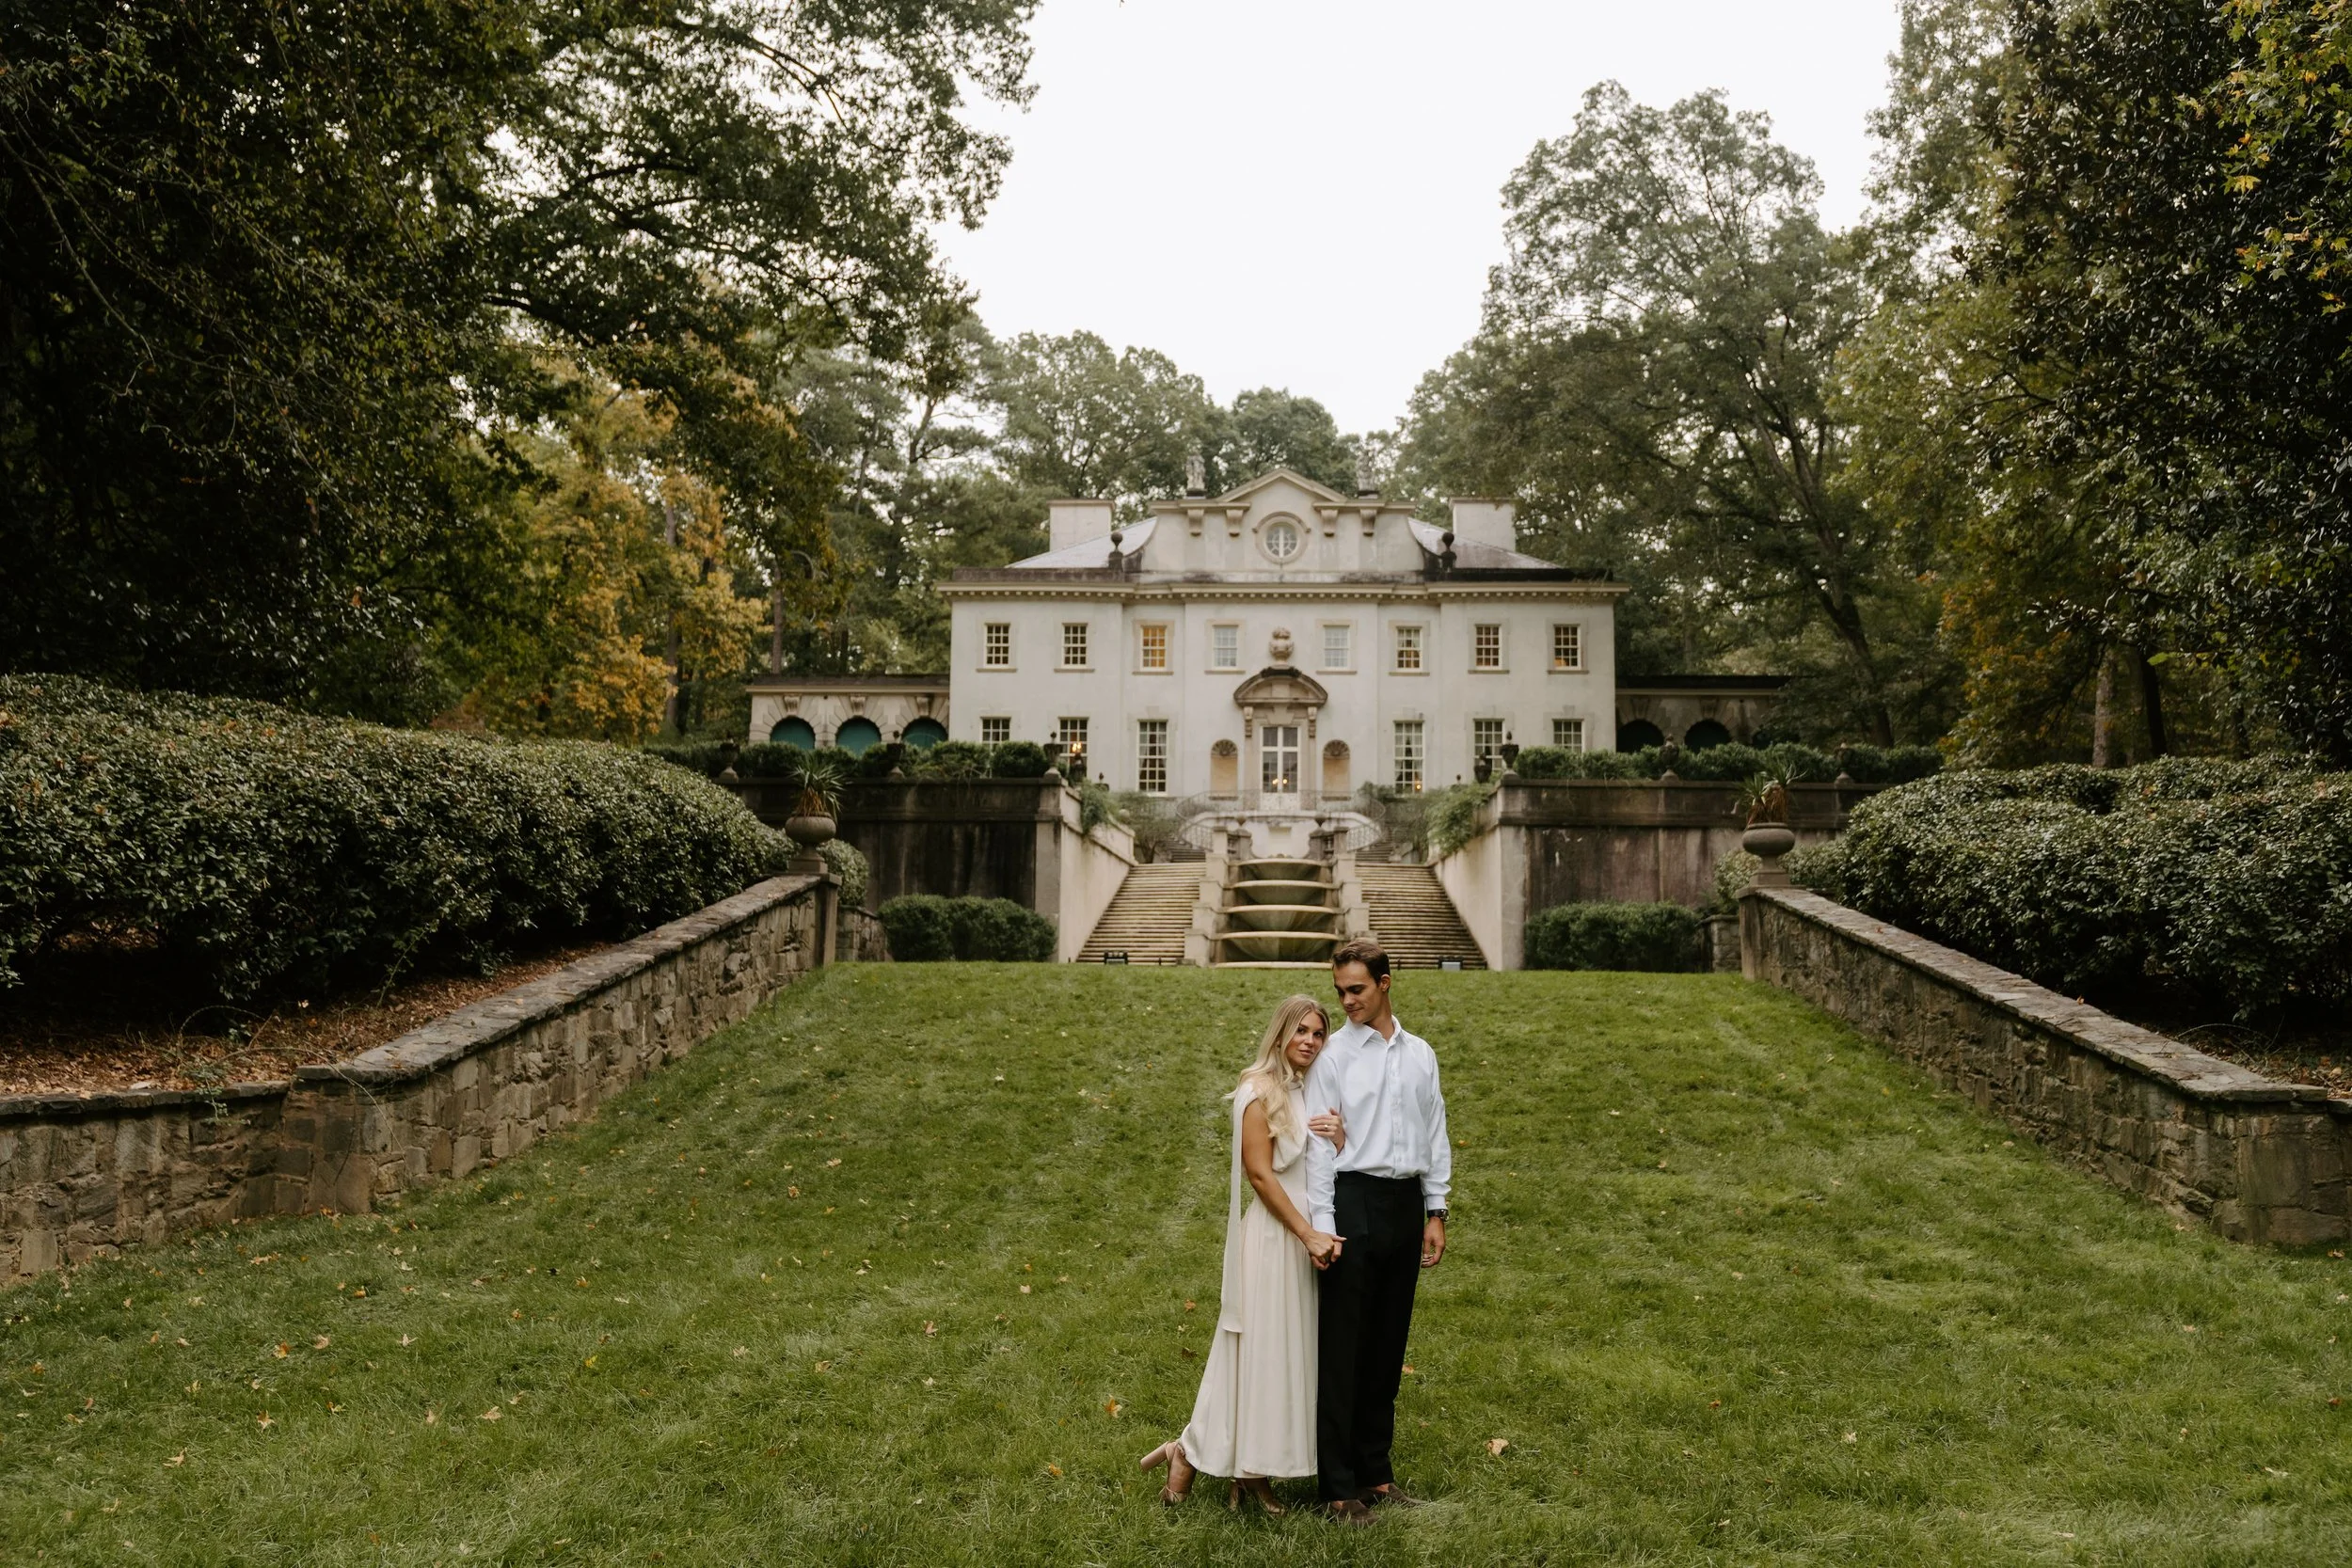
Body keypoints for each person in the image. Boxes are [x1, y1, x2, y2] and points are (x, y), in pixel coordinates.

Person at [1139, 995, 1347, 1513]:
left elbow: (1322, 1165)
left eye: (1319, 1034)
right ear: (1280, 1033)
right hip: (1277, 1238)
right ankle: (1189, 1451)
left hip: (1308, 1233)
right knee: (1256, 1351)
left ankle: (1249, 1469)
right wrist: (1306, 1234)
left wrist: (1341, 1140)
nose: (1311, 1041)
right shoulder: (1257, 1092)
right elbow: (1260, 1175)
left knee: (1280, 1357)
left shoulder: (1307, 1089)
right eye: (1302, 1031)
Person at [1305, 937, 1451, 1523]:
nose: (1346, 1002)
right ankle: (1338, 1487)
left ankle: (1376, 1474)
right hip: (1351, 1199)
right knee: (1344, 1348)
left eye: (1357, 989)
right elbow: (1320, 1146)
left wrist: (1435, 1211)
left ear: (1386, 982)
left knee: (1388, 1346)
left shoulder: (1422, 1054)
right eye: (1340, 991)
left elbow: (1435, 1131)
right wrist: (1323, 1226)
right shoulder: (1333, 1055)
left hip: (1405, 1203)